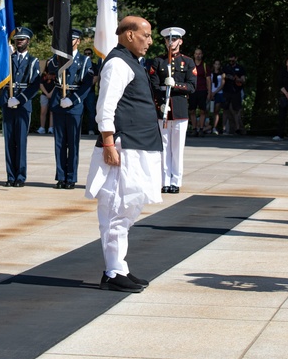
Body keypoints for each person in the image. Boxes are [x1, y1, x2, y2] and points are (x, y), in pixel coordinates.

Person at [85, 16, 161, 293]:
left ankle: (120, 266)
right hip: (123, 146)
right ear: (129, 34)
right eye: (146, 35)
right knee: (117, 206)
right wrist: (107, 143)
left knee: (129, 206)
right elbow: (105, 106)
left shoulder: (132, 62)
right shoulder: (117, 63)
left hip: (139, 145)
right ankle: (113, 271)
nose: (150, 42)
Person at [46, 29, 95, 189]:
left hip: (74, 105)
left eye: (73, 39)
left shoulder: (85, 60)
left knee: (73, 143)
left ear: (78, 41)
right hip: (59, 102)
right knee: (59, 142)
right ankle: (61, 176)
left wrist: (72, 100)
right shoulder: (58, 57)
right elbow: (51, 69)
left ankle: (71, 177)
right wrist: (59, 54)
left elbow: (86, 84)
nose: (70, 42)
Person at [149, 26, 195, 193]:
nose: (171, 42)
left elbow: (192, 86)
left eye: (174, 39)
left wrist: (176, 84)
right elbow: (153, 85)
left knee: (177, 149)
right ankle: (164, 181)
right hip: (163, 109)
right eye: (168, 39)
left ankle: (176, 181)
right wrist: (158, 103)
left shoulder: (188, 62)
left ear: (180, 41)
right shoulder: (158, 61)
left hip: (179, 110)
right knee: (164, 147)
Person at [0, 27, 41, 186]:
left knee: (21, 141)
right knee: (9, 141)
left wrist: (19, 99)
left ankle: (20, 177)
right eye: (17, 39)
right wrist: (7, 98)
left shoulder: (33, 61)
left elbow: (35, 84)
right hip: (7, 103)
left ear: (28, 41)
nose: (19, 42)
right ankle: (10, 176)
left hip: (23, 105)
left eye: (22, 39)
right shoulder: (7, 59)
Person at [223, 54, 246, 135]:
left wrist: (237, 79)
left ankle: (238, 128)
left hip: (236, 91)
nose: (231, 60)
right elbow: (223, 76)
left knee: (236, 110)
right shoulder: (226, 67)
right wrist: (227, 77)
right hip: (226, 90)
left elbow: (243, 80)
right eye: (230, 58)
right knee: (225, 109)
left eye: (233, 58)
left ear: (236, 58)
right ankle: (224, 128)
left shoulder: (240, 68)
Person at [189, 47, 209, 136]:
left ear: (202, 55)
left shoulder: (205, 66)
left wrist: (210, 92)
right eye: (196, 54)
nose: (198, 55)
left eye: (199, 53)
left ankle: (201, 128)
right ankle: (194, 128)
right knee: (192, 110)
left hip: (202, 90)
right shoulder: (190, 65)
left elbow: (208, 79)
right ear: (194, 55)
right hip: (192, 90)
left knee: (202, 110)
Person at [208, 59, 224, 135]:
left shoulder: (222, 74)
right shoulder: (210, 74)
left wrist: (215, 92)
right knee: (208, 110)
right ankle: (207, 126)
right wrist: (210, 92)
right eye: (215, 64)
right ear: (213, 65)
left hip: (219, 93)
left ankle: (215, 127)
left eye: (218, 64)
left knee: (216, 111)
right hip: (211, 92)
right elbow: (209, 83)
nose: (217, 66)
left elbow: (222, 85)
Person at [38, 66, 54, 135]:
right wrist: (47, 93)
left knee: (52, 112)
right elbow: (41, 84)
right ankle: (42, 128)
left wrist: (50, 94)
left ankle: (51, 128)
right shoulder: (43, 74)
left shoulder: (55, 73)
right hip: (44, 95)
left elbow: (57, 85)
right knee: (43, 111)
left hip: (53, 95)